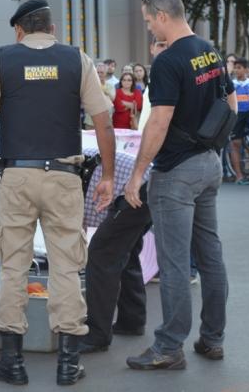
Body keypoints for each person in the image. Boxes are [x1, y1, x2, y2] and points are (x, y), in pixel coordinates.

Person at [0, 0, 116, 386]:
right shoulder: (76, 60)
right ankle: (68, 363)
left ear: (20, 30)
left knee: (13, 267)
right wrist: (109, 177)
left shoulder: (2, 60)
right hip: (65, 176)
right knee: (66, 266)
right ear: (51, 29)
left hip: (17, 177)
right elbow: (104, 123)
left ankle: (12, 363)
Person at [124, 0, 236, 371]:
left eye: (148, 21)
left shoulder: (169, 61)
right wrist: (212, 144)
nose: (149, 28)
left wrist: (137, 172)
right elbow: (231, 105)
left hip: (176, 173)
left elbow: (159, 121)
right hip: (209, 163)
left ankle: (169, 347)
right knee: (210, 256)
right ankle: (213, 338)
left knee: (174, 263)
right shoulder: (210, 50)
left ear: (162, 16)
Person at [77, 148, 152, 354]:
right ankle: (131, 320)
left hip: (133, 188)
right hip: (146, 183)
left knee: (101, 255)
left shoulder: (51, 172)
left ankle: (97, 334)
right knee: (124, 251)